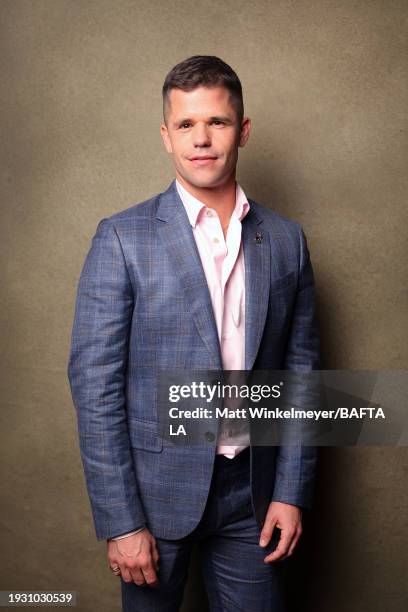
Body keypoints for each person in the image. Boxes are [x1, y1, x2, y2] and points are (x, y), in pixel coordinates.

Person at [67, 55, 320, 612]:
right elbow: (95, 388)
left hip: (252, 497)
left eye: (218, 122)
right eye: (186, 125)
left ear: (243, 130)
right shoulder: (121, 238)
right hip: (155, 500)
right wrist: (122, 520)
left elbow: (301, 376)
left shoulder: (285, 240)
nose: (201, 139)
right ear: (166, 135)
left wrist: (290, 491)